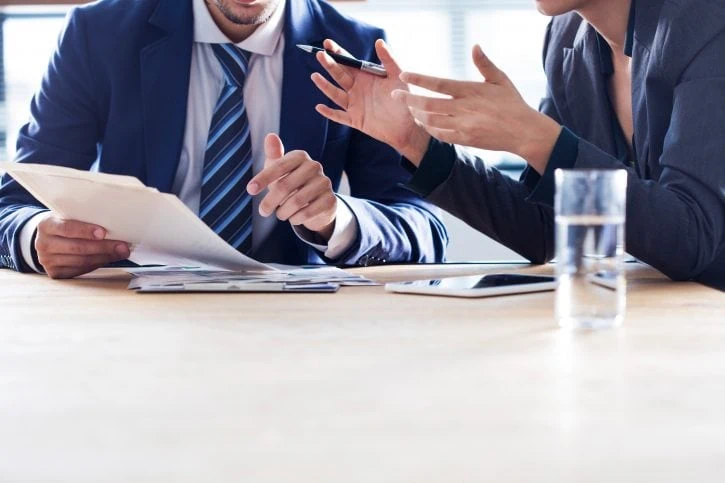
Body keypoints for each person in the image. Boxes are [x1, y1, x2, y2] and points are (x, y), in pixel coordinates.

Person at [0, 0, 448, 279]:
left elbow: (426, 228)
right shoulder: (96, 35)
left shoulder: (355, 48)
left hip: (296, 322)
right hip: (129, 313)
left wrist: (337, 219)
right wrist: (36, 237)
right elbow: (13, 205)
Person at [311, 0, 725, 287]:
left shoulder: (709, 23)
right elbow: (543, 231)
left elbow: (692, 241)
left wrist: (535, 137)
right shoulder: (568, 39)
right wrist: (416, 142)